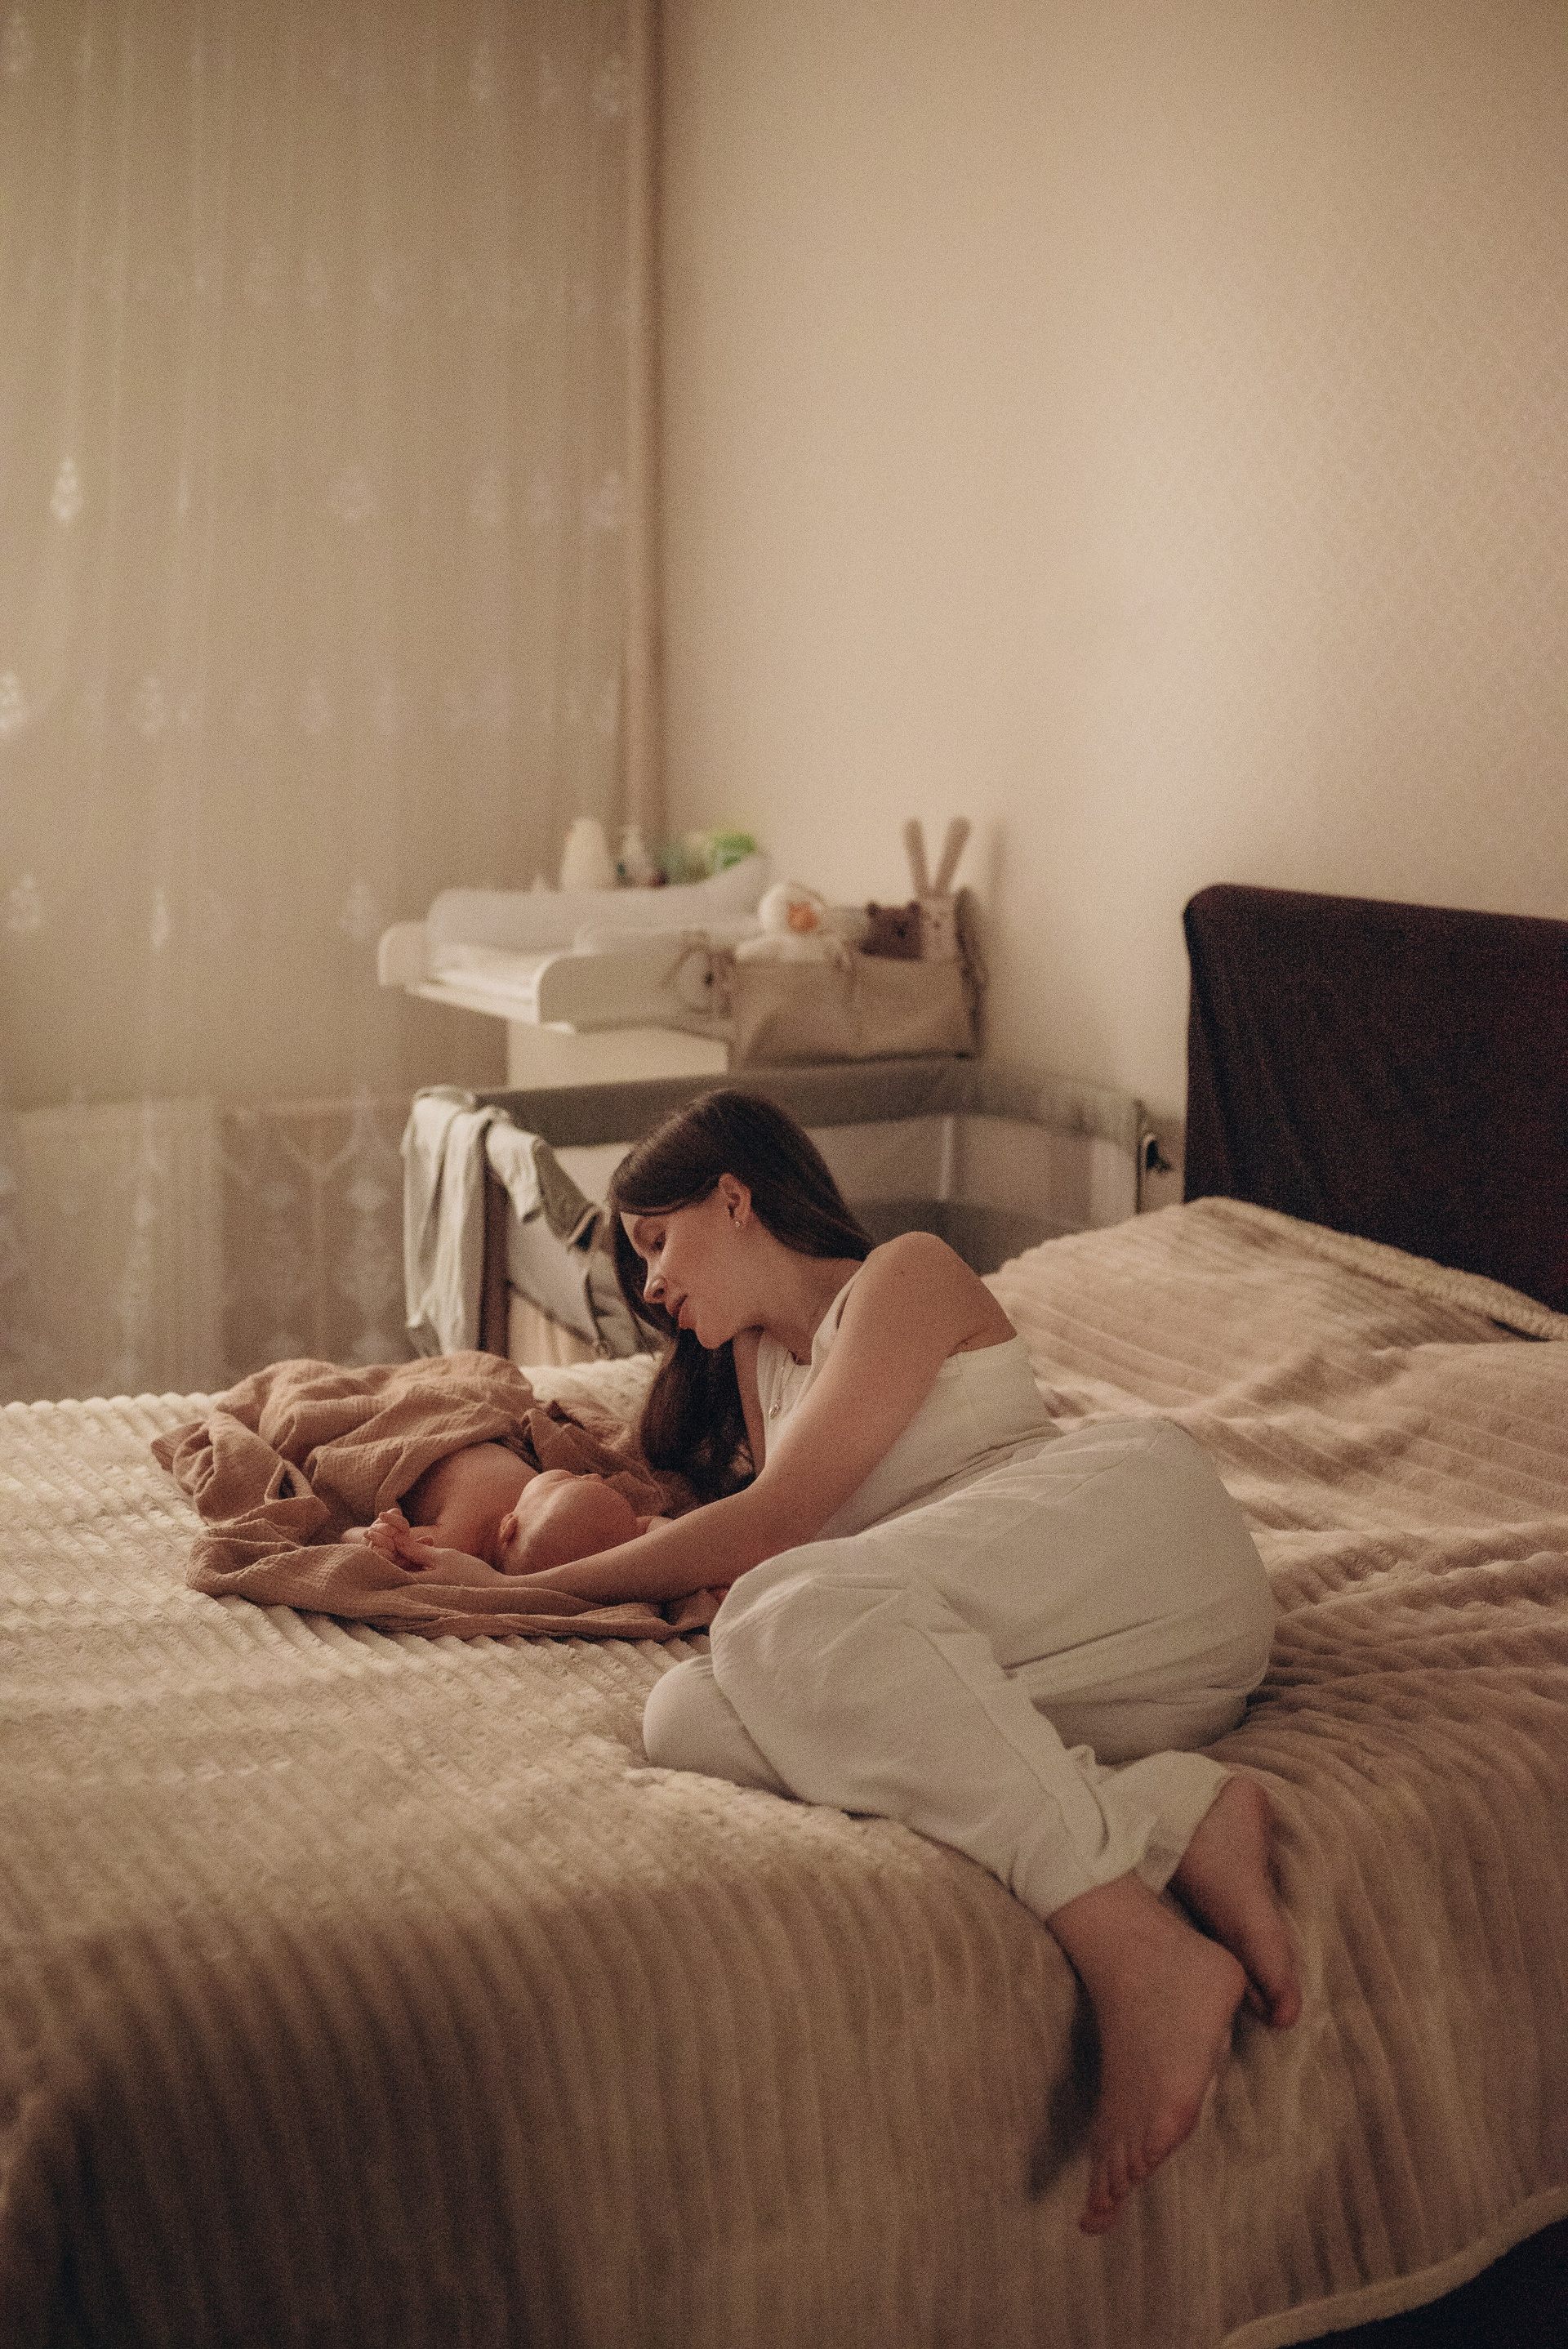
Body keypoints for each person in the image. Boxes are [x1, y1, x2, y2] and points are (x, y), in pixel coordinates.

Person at [377, 1089, 1303, 2235]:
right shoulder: (761, 1366)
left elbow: (777, 1529)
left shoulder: (904, 1275)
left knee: (772, 1613)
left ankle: (1137, 1946)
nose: (652, 1286)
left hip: (1138, 1551)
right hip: (1066, 1654)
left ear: (735, 1196)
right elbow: (791, 1569)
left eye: (657, 1242)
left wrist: (514, 1595)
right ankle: (1173, 1811)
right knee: (686, 1714)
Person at [346, 1444, 667, 1580]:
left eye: (570, 1480)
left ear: (508, 1527)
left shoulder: (455, 1543)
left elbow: (349, 1536)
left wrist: (381, 1540)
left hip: (426, 1445)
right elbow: (655, 1526)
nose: (594, 1476)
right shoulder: (589, 1527)